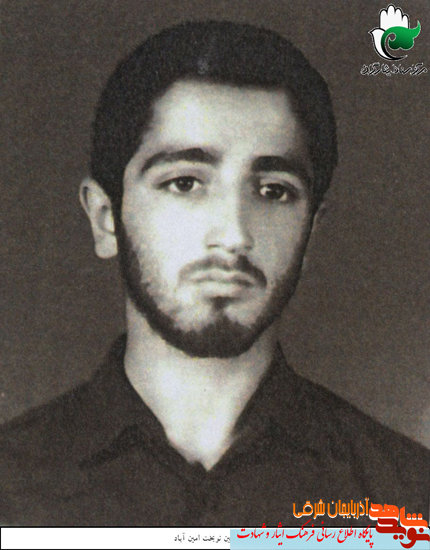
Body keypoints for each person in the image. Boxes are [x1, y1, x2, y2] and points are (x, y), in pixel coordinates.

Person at [1, 20, 428, 527]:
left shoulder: (409, 499)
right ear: (105, 218)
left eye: (273, 191)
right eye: (184, 183)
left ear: (311, 232)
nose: (233, 234)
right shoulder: (11, 487)